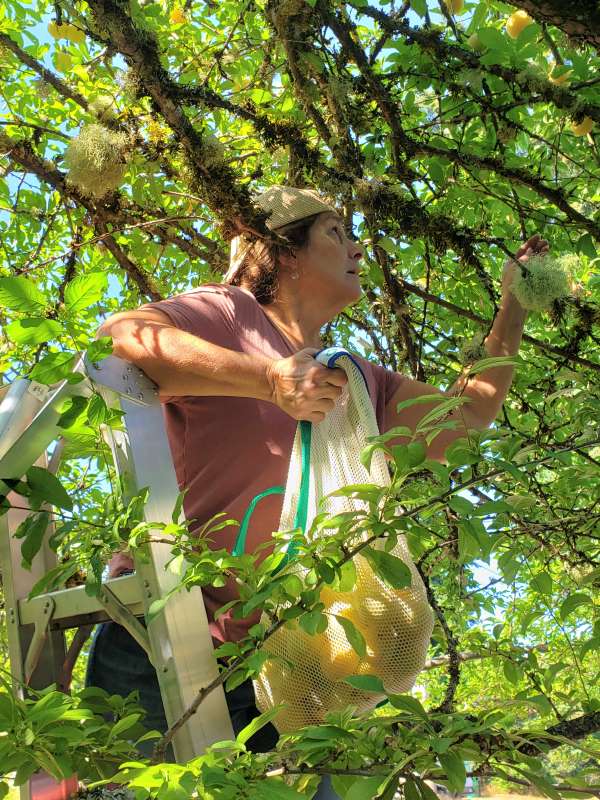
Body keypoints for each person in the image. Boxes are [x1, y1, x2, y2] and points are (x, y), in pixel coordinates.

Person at [88, 185, 548, 797]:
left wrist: (512, 306)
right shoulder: (229, 314)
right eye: (336, 232)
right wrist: (267, 379)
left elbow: (468, 414)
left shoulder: (354, 379)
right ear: (283, 253)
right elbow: (120, 339)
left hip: (290, 669)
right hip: (170, 641)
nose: (356, 248)